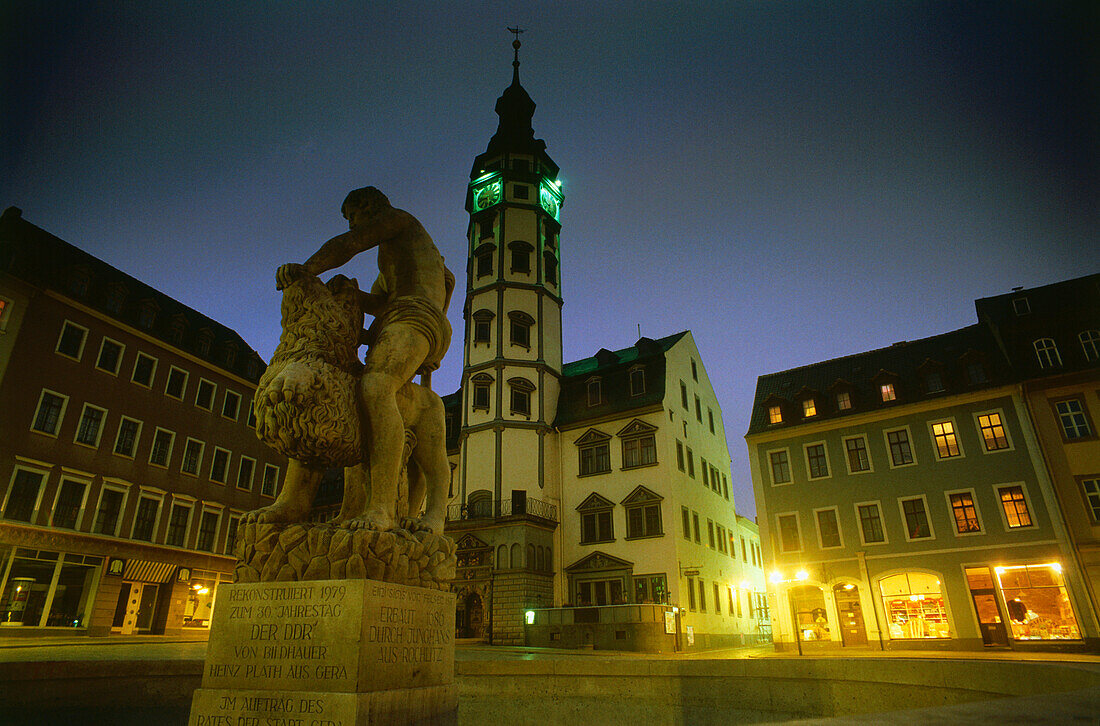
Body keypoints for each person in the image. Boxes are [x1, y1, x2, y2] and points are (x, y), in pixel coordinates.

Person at [276, 187, 454, 531]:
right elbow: (379, 303)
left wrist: (308, 269)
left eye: (352, 216)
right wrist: (348, 292)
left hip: (416, 317)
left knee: (375, 386)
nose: (352, 223)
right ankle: (295, 501)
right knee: (344, 398)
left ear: (367, 207)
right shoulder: (393, 257)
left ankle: (384, 509)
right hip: (396, 317)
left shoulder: (399, 221)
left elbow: (350, 243)